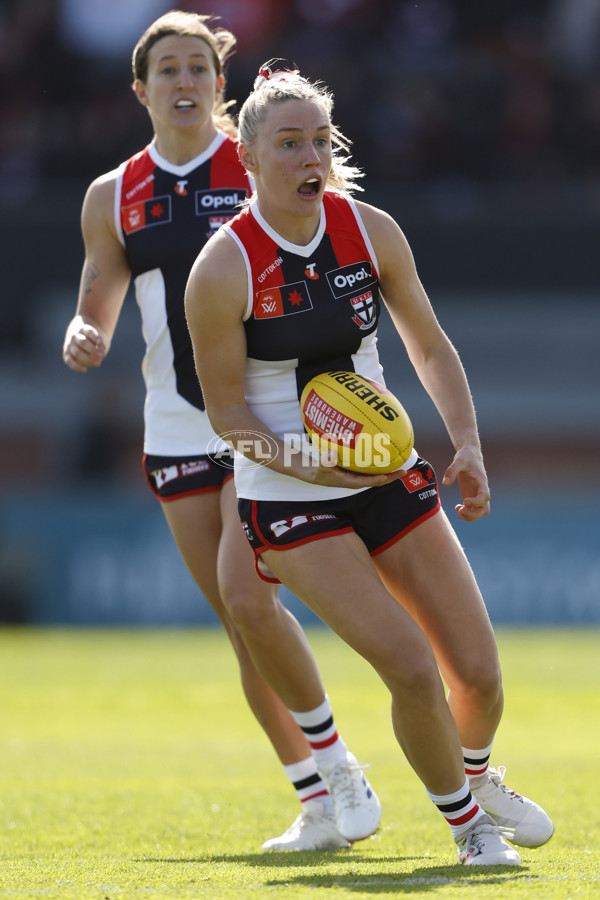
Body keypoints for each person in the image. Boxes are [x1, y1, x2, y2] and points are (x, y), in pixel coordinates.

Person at [184, 63, 555, 865]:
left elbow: (427, 343)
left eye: (320, 140)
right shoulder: (222, 267)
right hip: (288, 496)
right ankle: (468, 828)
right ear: (248, 157)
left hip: (386, 475)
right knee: (411, 666)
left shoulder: (369, 229)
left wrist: (469, 444)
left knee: (481, 678)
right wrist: (313, 467)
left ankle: (478, 774)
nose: (309, 157)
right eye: (289, 144)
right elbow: (227, 412)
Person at [62, 12, 383, 852]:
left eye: (198, 67)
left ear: (220, 84)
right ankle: (320, 792)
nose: (183, 82)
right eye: (166, 69)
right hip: (174, 426)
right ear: (141, 89)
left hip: (259, 423)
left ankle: (347, 772)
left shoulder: (260, 164)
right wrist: (84, 330)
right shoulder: (113, 195)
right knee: (243, 624)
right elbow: (98, 292)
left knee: (252, 597)